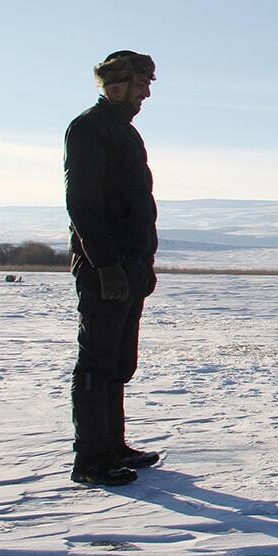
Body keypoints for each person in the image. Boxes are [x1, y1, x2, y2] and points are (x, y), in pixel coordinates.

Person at [64, 50, 161, 486]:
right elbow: (83, 205)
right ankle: (90, 458)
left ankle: (113, 444)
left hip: (131, 264)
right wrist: (106, 266)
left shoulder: (126, 134)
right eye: (141, 85)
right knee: (97, 360)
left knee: (120, 360)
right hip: (105, 265)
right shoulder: (88, 129)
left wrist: (145, 263)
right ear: (116, 86)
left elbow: (137, 206)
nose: (145, 94)